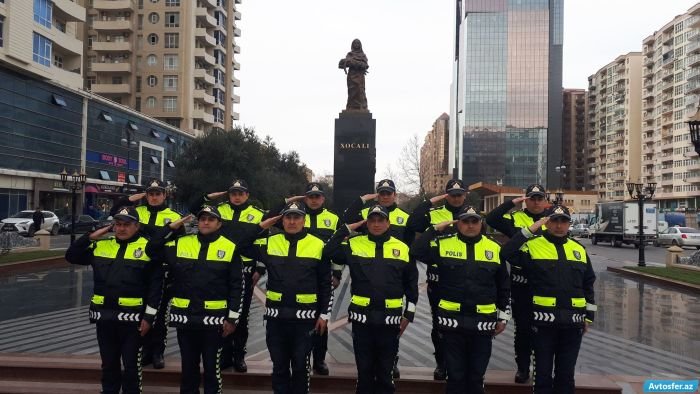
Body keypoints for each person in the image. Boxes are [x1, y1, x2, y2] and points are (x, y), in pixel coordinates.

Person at [147, 206, 275, 394]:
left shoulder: (229, 247)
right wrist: (170, 228)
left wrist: (232, 319)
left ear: (219, 224)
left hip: (214, 322)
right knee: (188, 370)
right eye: (202, 219)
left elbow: (236, 287)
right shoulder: (181, 243)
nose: (205, 222)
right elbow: (151, 249)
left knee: (211, 371)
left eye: (211, 219)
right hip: (186, 320)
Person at [65, 206, 164, 394]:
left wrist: (149, 318)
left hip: (133, 321)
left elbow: (155, 288)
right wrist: (90, 237)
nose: (121, 228)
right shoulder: (102, 245)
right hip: (105, 318)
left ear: (137, 226)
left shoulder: (148, 248)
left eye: (127, 225)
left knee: (131, 366)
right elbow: (71, 256)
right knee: (108, 364)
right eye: (117, 224)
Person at [411, 206, 510, 393]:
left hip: (483, 324)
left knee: (476, 377)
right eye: (465, 221)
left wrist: (503, 316)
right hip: (451, 323)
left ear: (481, 223)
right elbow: (416, 251)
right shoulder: (442, 245)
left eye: (475, 221)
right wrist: (435, 229)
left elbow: (503, 285)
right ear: (458, 224)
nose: (470, 225)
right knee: (455, 377)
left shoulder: (494, 248)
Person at [500, 205, 596, 394]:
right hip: (543, 325)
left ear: (569, 224)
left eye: (563, 221)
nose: (559, 226)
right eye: (554, 221)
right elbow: (506, 253)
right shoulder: (532, 246)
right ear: (547, 222)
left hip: (572, 325)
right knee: (542, 376)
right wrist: (530, 229)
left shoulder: (578, 249)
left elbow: (588, 284)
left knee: (566, 376)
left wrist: (588, 318)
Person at [326, 205, 418, 393]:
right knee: (364, 372)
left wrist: (408, 314)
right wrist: (348, 228)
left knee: (385, 374)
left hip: (390, 320)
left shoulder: (402, 248)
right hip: (362, 319)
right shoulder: (354, 244)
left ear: (388, 223)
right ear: (366, 223)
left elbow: (411, 285)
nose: (376, 224)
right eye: (372, 220)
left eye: (380, 220)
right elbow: (329, 251)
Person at [242, 201, 332, 394]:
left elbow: (326, 284)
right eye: (288, 217)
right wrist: (264, 224)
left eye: (296, 217)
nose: (292, 221)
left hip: (305, 321)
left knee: (300, 367)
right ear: (281, 221)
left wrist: (324, 314)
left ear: (304, 220)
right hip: (276, 319)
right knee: (279, 368)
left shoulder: (318, 245)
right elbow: (241, 244)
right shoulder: (270, 242)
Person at [189, 179, 266, 372]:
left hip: (246, 269)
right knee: (222, 314)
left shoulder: (257, 214)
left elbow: (264, 242)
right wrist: (209, 196)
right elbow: (194, 208)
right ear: (228, 194)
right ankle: (224, 355)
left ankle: (239, 355)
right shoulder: (219, 210)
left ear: (247, 195)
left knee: (242, 316)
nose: (237, 197)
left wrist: (260, 268)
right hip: (220, 269)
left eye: (241, 193)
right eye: (233, 193)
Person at [267, 182, 341, 375]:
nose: (314, 200)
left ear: (323, 199)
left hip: (321, 272)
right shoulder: (295, 215)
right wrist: (288, 201)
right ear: (305, 198)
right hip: (297, 272)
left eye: (317, 197)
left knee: (320, 319)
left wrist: (337, 272)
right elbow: (267, 219)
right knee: (307, 324)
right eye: (310, 197)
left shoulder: (333, 218)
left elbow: (339, 246)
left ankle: (319, 360)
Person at [111, 179, 183, 369]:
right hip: (138, 267)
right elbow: (115, 211)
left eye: (157, 193)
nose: (153, 197)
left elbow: (180, 245)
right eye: (150, 193)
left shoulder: (174, 216)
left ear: (164, 195)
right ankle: (143, 351)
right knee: (139, 312)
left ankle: (157, 352)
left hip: (163, 269)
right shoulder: (137, 213)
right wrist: (132, 198)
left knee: (158, 314)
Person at [343, 178, 411, 378]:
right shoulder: (367, 213)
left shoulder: (404, 216)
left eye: (388, 193)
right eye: (381, 193)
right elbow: (346, 218)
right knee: (365, 360)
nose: (385, 196)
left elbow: (410, 242)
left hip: (395, 264)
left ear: (394, 194)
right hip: (367, 268)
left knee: (389, 342)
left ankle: (393, 362)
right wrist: (363, 200)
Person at [484, 183, 548, 383]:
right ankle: (522, 368)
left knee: (545, 329)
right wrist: (511, 203)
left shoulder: (552, 218)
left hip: (546, 283)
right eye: (532, 198)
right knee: (523, 329)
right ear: (526, 200)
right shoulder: (516, 218)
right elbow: (491, 219)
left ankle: (542, 367)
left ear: (544, 200)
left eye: (540, 198)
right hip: (521, 283)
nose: (536, 202)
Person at [405, 179, 468, 380]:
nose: (456, 198)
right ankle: (441, 363)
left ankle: (461, 364)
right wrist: (431, 202)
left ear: (465, 195)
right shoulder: (434, 213)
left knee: (465, 324)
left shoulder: (472, 216)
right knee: (440, 324)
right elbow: (413, 223)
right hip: (439, 279)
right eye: (452, 194)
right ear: (446, 195)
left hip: (465, 280)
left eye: (459, 194)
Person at [338, 38, 369, 111]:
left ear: (360, 45)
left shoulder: (363, 55)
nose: (356, 45)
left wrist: (354, 62)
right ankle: (351, 107)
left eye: (358, 43)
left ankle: (362, 107)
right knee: (351, 92)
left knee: (360, 90)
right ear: (352, 45)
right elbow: (344, 64)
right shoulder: (350, 54)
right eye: (355, 43)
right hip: (351, 76)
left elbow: (365, 65)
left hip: (360, 76)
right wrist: (347, 62)